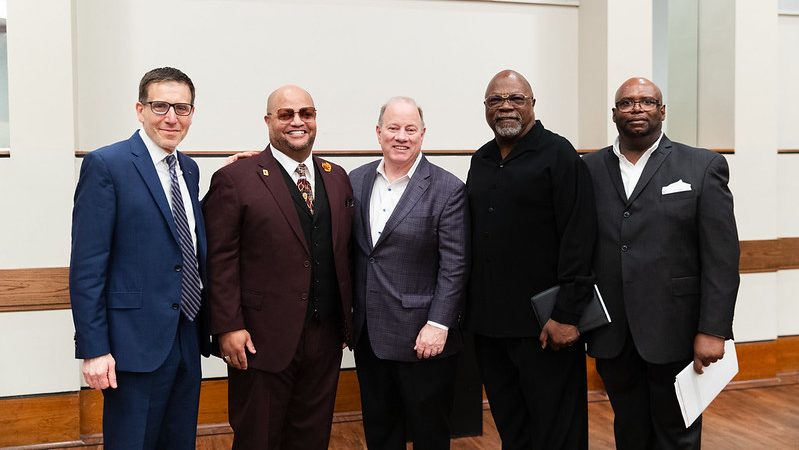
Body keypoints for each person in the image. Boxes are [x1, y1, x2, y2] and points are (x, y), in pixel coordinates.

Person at [583, 77, 739, 449]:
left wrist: (714, 328)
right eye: (627, 103)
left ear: (662, 111)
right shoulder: (587, 169)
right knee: (629, 432)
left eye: (647, 101)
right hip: (613, 333)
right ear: (614, 114)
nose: (637, 108)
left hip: (678, 332)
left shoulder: (702, 166)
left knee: (677, 437)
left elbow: (721, 255)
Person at [202, 84, 354, 450]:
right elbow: (219, 259)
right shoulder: (236, 179)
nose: (298, 122)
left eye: (306, 114)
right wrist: (228, 326)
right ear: (269, 121)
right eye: (286, 115)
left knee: (312, 436)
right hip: (259, 339)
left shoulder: (337, 177)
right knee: (259, 437)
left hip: (325, 336)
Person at [69, 67, 211, 449]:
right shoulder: (107, 165)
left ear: (192, 113)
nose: (171, 117)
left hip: (186, 332)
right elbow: (87, 268)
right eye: (160, 105)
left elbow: (186, 238)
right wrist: (94, 348)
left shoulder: (190, 169)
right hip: (132, 343)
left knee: (179, 441)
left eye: (181, 108)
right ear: (140, 109)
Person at [466, 69, 596, 449]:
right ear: (486, 108)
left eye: (516, 99)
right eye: (496, 100)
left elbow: (579, 238)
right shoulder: (481, 159)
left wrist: (568, 316)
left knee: (557, 432)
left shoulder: (560, 155)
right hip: (490, 328)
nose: (506, 106)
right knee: (512, 427)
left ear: (533, 105)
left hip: (546, 328)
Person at [349, 97, 469, 449]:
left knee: (429, 432)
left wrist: (439, 324)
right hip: (369, 334)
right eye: (393, 128)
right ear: (378, 132)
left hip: (423, 338)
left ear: (422, 134)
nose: (401, 136)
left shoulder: (448, 189)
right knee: (380, 429)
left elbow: (455, 264)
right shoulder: (355, 181)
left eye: (410, 129)